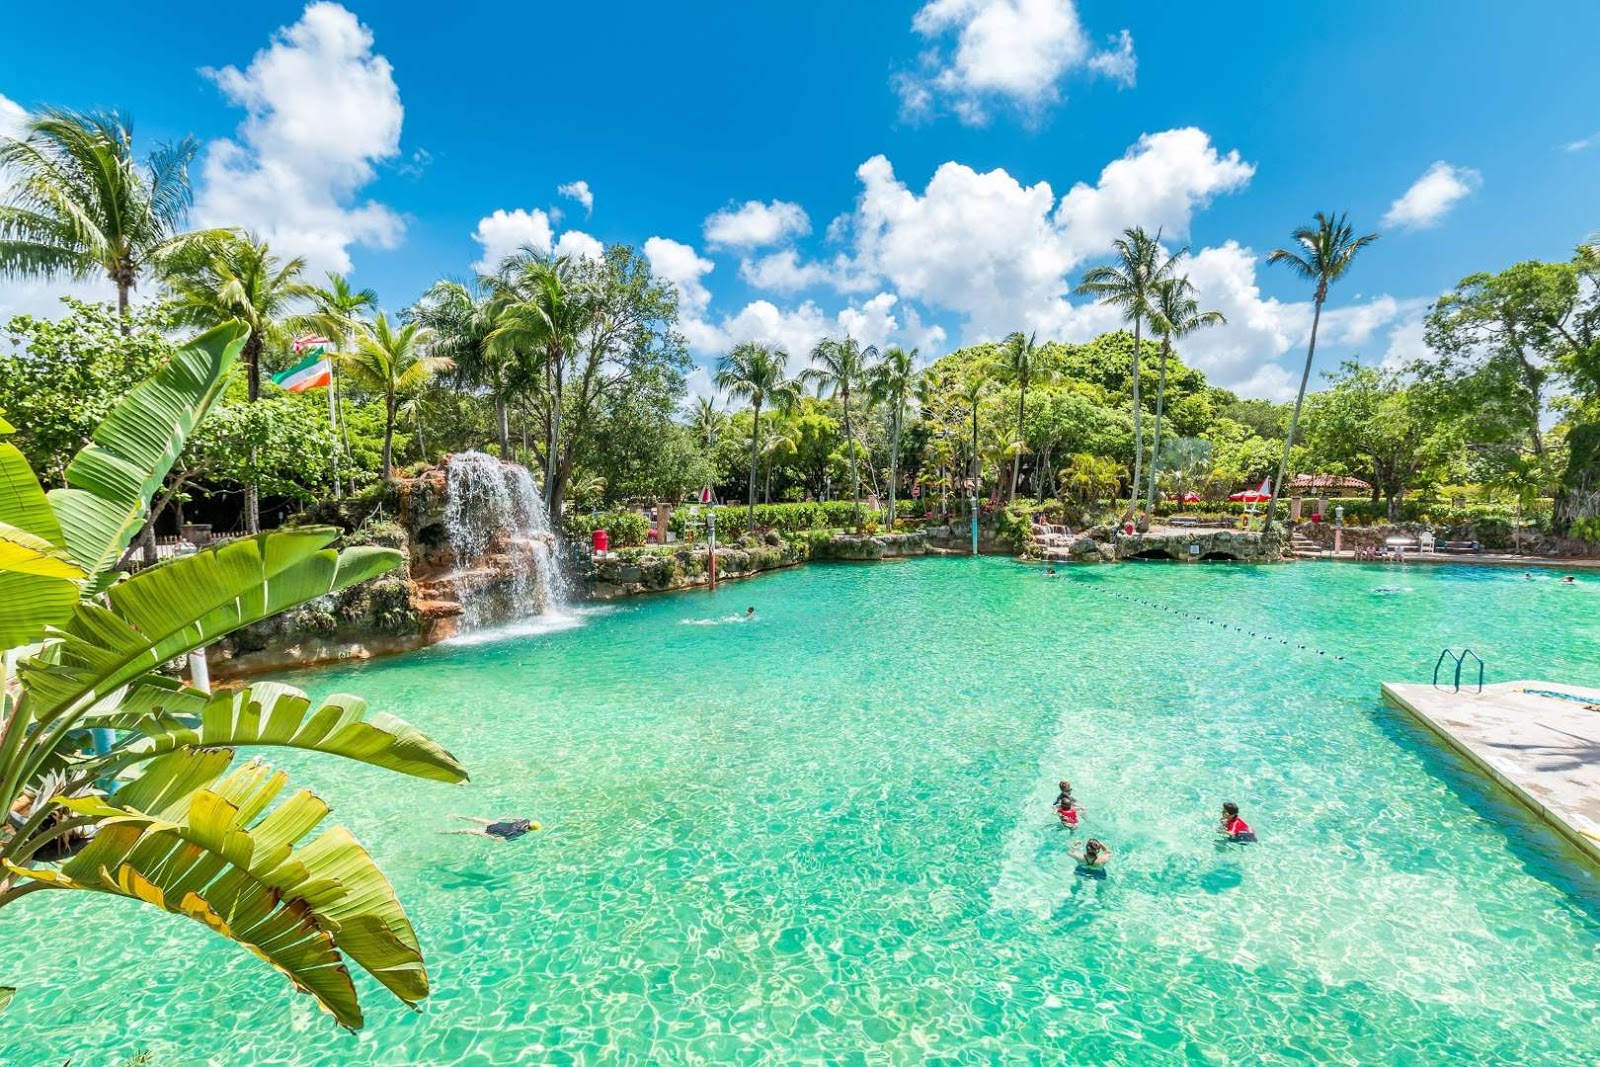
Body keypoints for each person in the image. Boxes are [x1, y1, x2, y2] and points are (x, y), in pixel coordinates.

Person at [444, 814, 540, 841]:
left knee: (472, 823)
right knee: (468, 829)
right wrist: (486, 836)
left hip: (494, 825)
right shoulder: (518, 833)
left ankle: (454, 818)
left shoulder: (525, 821)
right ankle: (447, 830)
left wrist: (504, 818)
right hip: (491, 829)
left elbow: (515, 818)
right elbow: (501, 840)